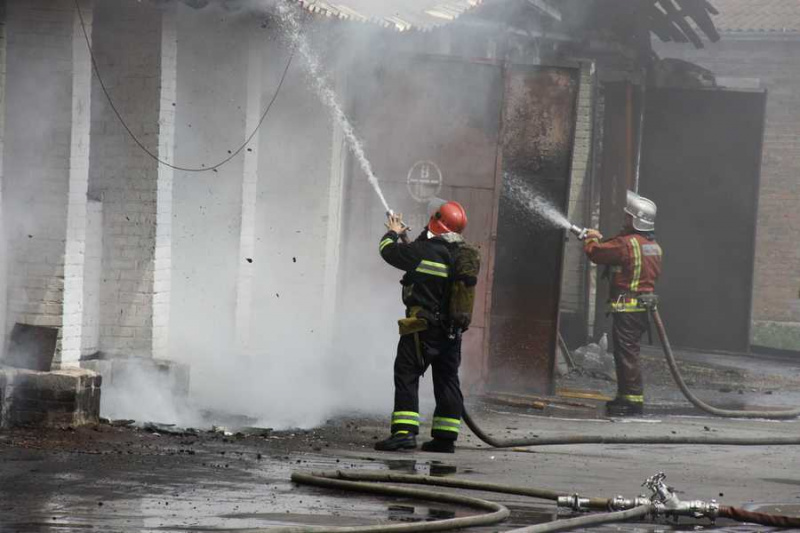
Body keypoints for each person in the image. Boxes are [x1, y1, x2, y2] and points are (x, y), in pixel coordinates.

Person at [374, 201, 470, 453]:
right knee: (447, 379)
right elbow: (422, 256)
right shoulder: (460, 255)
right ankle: (445, 438)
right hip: (451, 332)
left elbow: (388, 251)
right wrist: (409, 238)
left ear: (436, 222)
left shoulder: (423, 251)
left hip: (422, 328)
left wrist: (394, 232)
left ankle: (404, 433)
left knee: (407, 373)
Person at [583, 191, 662, 417]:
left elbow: (597, 253)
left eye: (628, 217)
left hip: (627, 308)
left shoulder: (628, 244)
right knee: (628, 352)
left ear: (636, 220)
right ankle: (626, 396)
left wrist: (591, 237)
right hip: (640, 309)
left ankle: (632, 401)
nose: (624, 220)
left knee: (626, 353)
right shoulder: (652, 246)